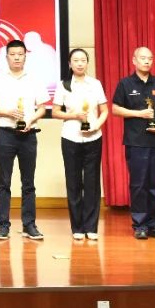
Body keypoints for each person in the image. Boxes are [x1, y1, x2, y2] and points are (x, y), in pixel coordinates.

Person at [0, 39, 50, 241]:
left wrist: (30, 119)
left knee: (28, 182)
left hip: (29, 134)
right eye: (12, 54)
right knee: (4, 181)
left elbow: (42, 108)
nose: (16, 58)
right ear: (6, 57)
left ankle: (29, 224)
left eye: (20, 54)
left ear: (25, 56)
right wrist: (7, 112)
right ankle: (3, 225)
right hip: (6, 133)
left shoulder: (35, 79)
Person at [111, 46, 155, 240]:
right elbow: (115, 109)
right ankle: (140, 225)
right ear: (134, 60)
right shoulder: (125, 84)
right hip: (136, 142)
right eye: (143, 58)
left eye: (150, 58)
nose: (147, 61)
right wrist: (138, 114)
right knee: (138, 185)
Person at [54, 48, 109, 241]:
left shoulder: (95, 84)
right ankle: (77, 227)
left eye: (83, 60)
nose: (79, 63)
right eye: (75, 60)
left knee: (92, 182)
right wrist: (74, 116)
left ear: (87, 63)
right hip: (70, 137)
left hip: (93, 137)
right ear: (70, 64)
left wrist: (96, 126)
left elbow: (104, 110)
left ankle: (91, 227)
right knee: (74, 182)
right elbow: (55, 112)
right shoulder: (63, 85)